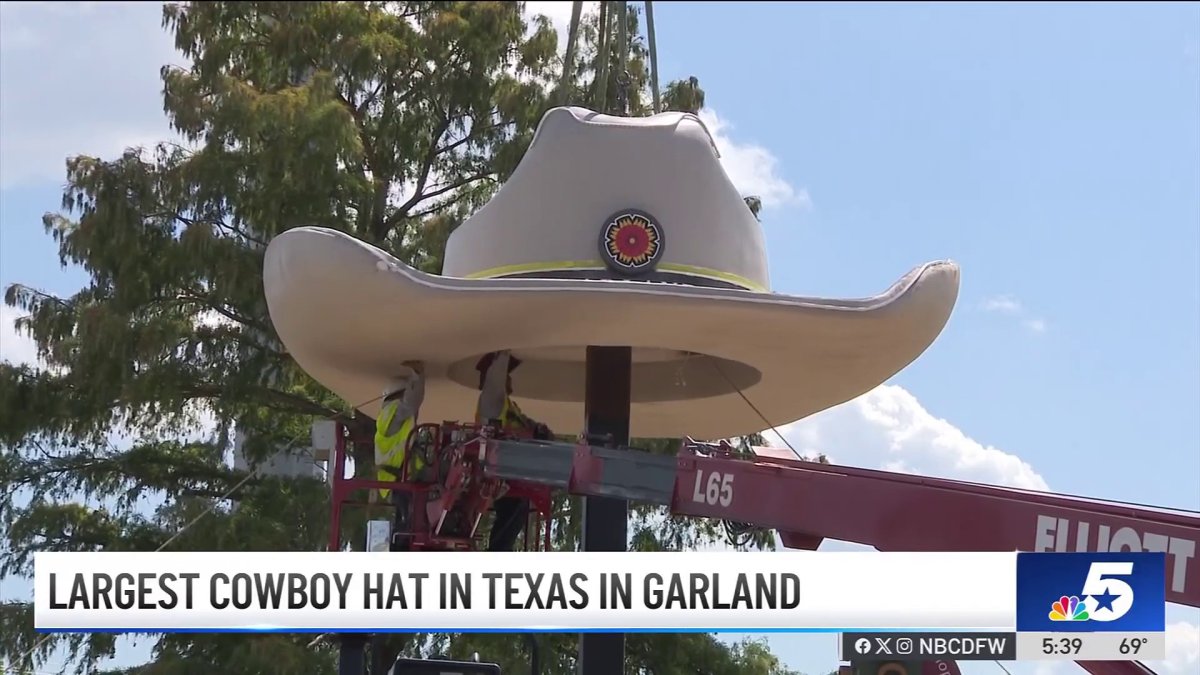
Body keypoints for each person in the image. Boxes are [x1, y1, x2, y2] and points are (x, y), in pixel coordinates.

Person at [474, 350, 552, 552]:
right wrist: (502, 358)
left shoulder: (508, 405)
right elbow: (494, 382)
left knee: (516, 509)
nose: (509, 380)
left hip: (509, 466)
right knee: (514, 508)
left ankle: (500, 552)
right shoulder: (491, 401)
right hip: (500, 468)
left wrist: (539, 430)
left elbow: (524, 422)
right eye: (506, 376)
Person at [374, 360, 426, 551]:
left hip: (398, 480)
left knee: (407, 523)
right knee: (409, 524)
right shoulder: (393, 414)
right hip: (400, 479)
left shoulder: (388, 417)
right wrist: (418, 376)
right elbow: (412, 403)